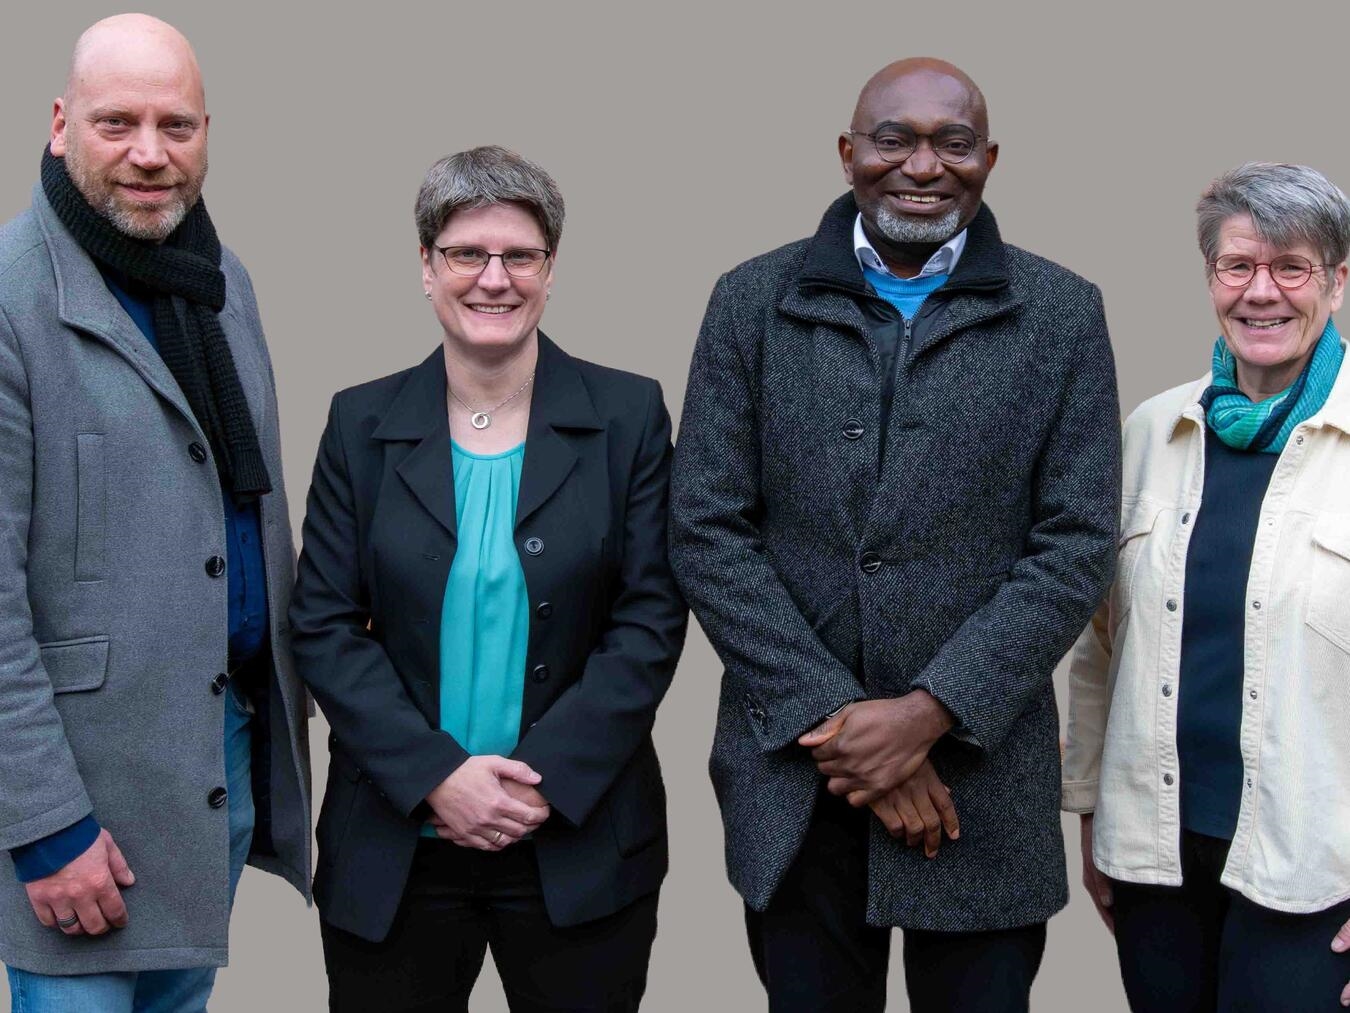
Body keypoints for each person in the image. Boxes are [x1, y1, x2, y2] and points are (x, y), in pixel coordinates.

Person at [669, 57, 1120, 1012]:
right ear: (847, 154)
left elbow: (1075, 543)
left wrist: (927, 713)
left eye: (953, 142)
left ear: (990, 158)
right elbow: (706, 526)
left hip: (978, 784)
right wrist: (843, 724)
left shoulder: (1063, 314)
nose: (923, 165)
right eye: (893, 139)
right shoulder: (751, 300)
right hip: (797, 780)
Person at [290, 145, 687, 1012]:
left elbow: (651, 617)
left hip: (577, 842)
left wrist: (537, 779)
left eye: (520, 256)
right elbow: (321, 622)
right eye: (467, 254)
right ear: (426, 269)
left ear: (551, 271)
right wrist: (438, 775)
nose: (494, 279)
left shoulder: (628, 414)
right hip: (394, 846)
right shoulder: (360, 421)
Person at [0, 13, 312, 1012]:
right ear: (58, 124)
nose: (150, 154)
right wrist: (46, 825)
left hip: (207, 769)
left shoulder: (221, 284)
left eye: (176, 126)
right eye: (117, 123)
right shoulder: (10, 300)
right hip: (83, 802)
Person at [1063, 161, 1350, 1011]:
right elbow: (1100, 642)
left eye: (1291, 267)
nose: (1262, 293)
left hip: (1312, 865)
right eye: (1238, 266)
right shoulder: (1154, 429)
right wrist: (1091, 812)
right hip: (1156, 854)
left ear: (1337, 282)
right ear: (1210, 278)